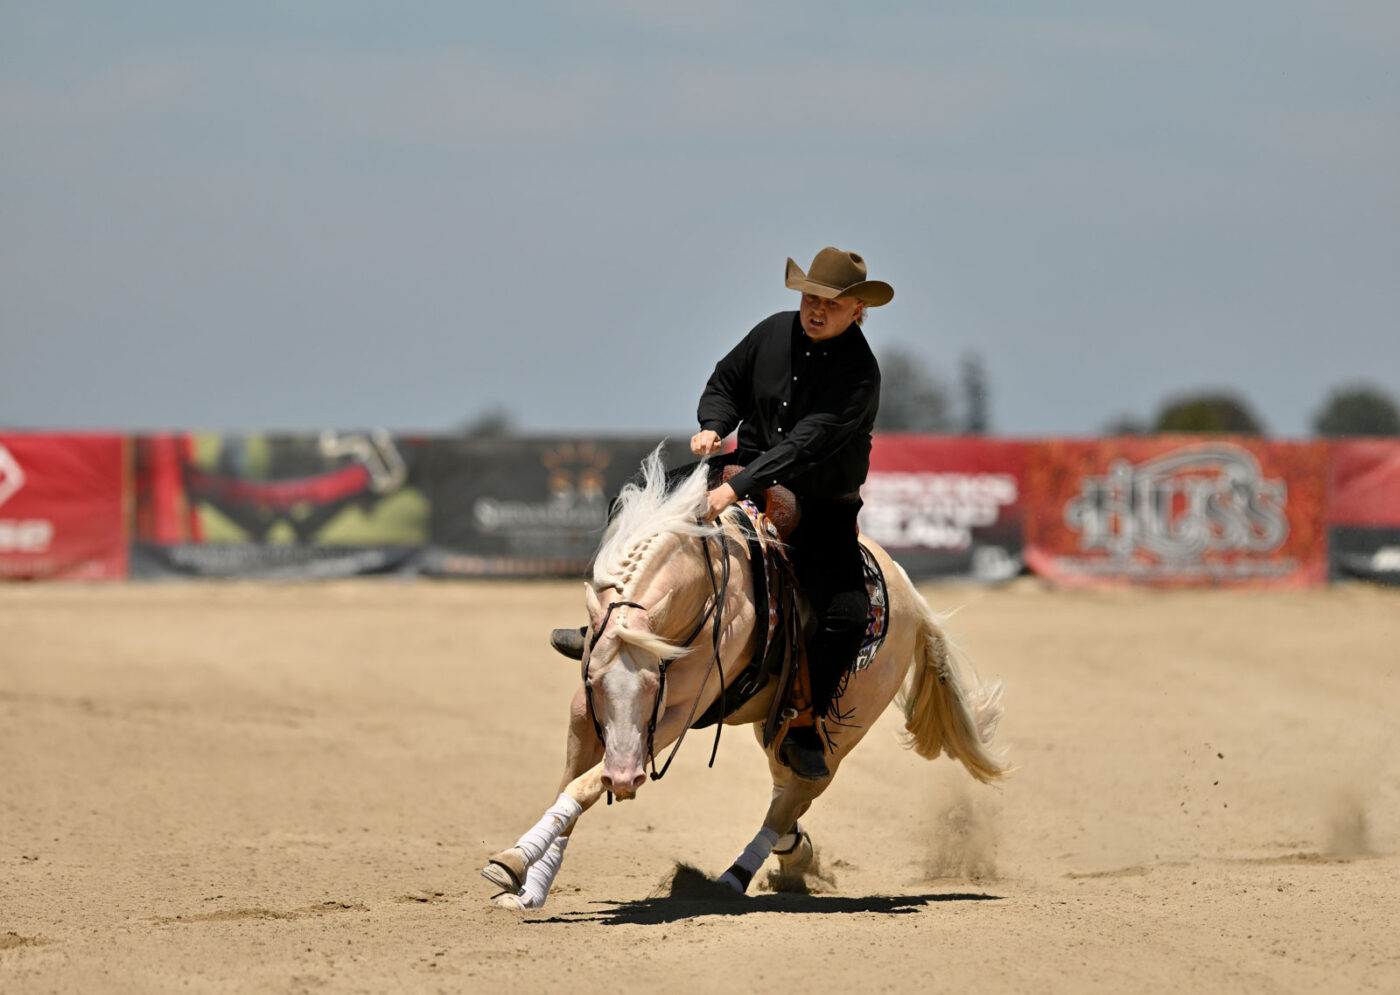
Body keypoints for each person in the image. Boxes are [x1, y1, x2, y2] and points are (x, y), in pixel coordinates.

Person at [551, 247, 892, 781]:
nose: (815, 309)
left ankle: (802, 722)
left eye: (830, 302)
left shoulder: (859, 376)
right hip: (745, 468)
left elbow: (803, 446)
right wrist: (715, 423)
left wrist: (734, 492)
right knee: (635, 497)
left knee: (845, 617)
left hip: (820, 503)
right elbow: (725, 382)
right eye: (809, 298)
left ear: (857, 311)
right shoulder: (771, 333)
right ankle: (607, 625)